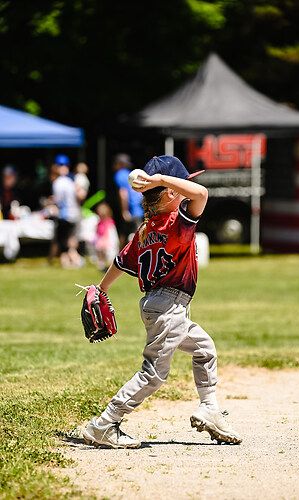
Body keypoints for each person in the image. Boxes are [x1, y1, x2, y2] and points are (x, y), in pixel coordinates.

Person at [83, 155, 242, 449]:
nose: (187, 186)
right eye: (182, 182)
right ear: (170, 191)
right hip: (169, 307)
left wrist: (101, 288)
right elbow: (202, 194)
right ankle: (104, 423)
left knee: (204, 349)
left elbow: (120, 262)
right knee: (154, 374)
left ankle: (209, 408)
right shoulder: (175, 222)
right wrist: (160, 180)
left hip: (161, 306)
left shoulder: (145, 229)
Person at [52, 155, 83, 268]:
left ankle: (67, 262)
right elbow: (80, 196)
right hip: (74, 214)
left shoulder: (58, 182)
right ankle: (74, 261)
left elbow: (58, 200)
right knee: (71, 240)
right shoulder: (72, 180)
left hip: (64, 215)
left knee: (63, 242)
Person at [112, 153, 144, 249]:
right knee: (125, 233)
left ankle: (124, 259)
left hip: (131, 210)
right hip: (139, 209)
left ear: (119, 164)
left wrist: (124, 211)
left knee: (133, 236)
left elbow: (123, 194)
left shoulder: (119, 174)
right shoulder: (131, 174)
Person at [93, 202, 119, 272]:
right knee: (101, 253)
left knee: (108, 254)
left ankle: (109, 267)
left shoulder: (109, 223)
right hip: (101, 241)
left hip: (108, 241)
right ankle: (102, 265)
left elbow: (112, 234)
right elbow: (97, 233)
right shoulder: (99, 223)